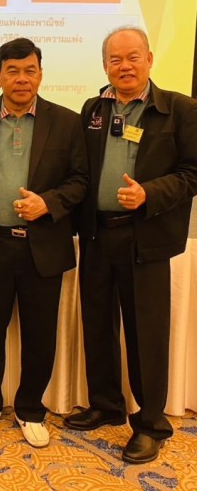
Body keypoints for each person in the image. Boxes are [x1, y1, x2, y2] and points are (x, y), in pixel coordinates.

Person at [64, 27, 197, 463]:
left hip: (146, 239)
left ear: (150, 59)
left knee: (146, 334)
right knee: (97, 324)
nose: (124, 66)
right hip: (97, 234)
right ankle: (106, 405)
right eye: (116, 59)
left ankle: (151, 423)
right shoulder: (93, 108)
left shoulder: (179, 109)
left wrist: (149, 194)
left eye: (133, 57)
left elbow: (192, 172)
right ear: (105, 65)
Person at [0, 37, 88, 447]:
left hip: (43, 244)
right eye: (12, 71)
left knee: (40, 333)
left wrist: (48, 203)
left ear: (41, 75)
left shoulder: (66, 121)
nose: (21, 78)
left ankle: (31, 408)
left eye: (30, 70)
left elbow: (80, 181)